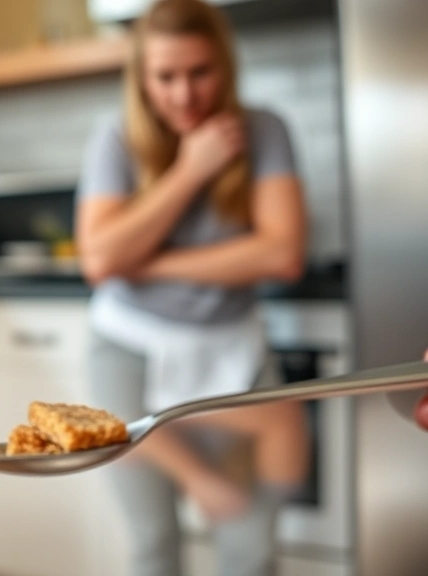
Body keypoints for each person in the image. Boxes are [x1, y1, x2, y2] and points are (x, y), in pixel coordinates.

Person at [74, 1, 310, 575]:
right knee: (155, 542)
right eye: (166, 77)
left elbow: (283, 254)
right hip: (127, 358)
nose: (184, 95)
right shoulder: (115, 141)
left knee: (249, 544)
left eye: (199, 73)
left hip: (235, 357)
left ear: (224, 69)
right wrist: (192, 170)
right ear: (142, 79)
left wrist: (147, 263)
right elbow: (100, 258)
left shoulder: (264, 130)